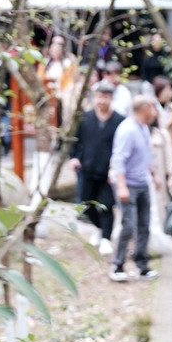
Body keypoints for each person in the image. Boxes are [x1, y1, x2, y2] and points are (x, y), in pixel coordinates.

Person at [67, 81, 124, 253]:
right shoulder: (85, 118)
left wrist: (116, 169)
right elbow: (74, 140)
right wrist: (73, 158)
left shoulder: (119, 120)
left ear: (112, 98)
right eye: (100, 97)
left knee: (106, 205)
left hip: (108, 172)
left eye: (106, 97)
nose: (102, 101)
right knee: (86, 204)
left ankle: (106, 238)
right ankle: (99, 229)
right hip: (87, 168)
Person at [108, 93, 160, 281]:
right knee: (129, 225)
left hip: (142, 182)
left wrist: (153, 174)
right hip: (128, 184)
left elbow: (145, 154)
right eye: (153, 108)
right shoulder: (127, 130)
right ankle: (118, 264)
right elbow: (119, 159)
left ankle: (142, 264)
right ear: (145, 109)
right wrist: (121, 186)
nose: (155, 112)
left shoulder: (143, 128)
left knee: (144, 225)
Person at [150, 77, 172, 226]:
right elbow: (157, 129)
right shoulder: (151, 106)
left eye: (171, 90)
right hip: (158, 149)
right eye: (166, 90)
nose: (170, 93)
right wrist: (169, 122)